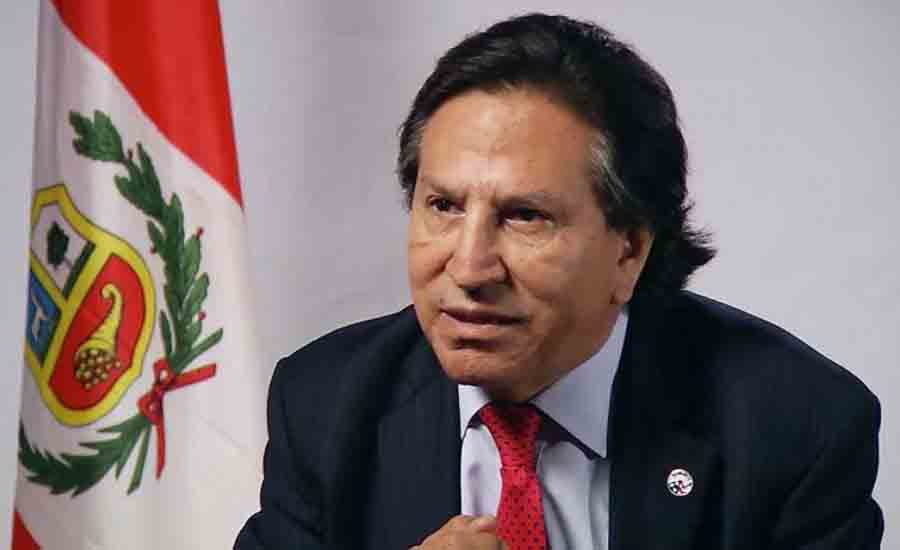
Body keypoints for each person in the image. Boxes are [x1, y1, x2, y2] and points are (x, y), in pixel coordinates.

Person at [235, 13, 882, 550]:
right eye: (444, 206)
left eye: (525, 216)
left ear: (629, 251)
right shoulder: (326, 405)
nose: (469, 268)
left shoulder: (794, 427)